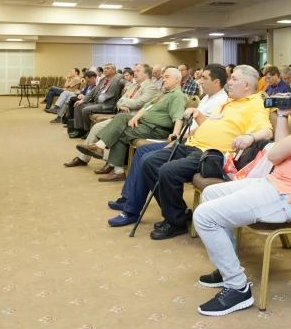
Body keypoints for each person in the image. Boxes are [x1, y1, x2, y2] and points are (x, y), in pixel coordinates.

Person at [193, 57, 291, 316]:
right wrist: (284, 117)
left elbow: (275, 155)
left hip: (290, 197)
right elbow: (281, 152)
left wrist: (280, 137)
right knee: (210, 192)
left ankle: (237, 287)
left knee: (204, 216)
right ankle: (227, 268)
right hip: (278, 185)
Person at [141, 65, 273, 240]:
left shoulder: (255, 105)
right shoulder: (230, 101)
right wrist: (198, 114)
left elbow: (267, 131)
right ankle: (178, 214)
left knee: (168, 171)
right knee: (149, 163)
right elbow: (212, 124)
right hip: (192, 144)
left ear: (247, 85)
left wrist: (250, 137)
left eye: (234, 79)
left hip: (210, 154)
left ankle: (175, 223)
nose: (229, 82)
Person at [107, 64, 229, 226]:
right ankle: (129, 198)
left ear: (216, 82)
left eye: (204, 78)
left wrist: (177, 139)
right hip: (185, 139)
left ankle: (132, 210)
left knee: (148, 159)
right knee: (142, 150)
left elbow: (204, 130)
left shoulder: (221, 101)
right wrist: (177, 137)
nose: (199, 81)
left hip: (194, 144)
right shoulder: (208, 97)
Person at [77, 68, 186, 180]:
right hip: (145, 123)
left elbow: (178, 117)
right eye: (163, 77)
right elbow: (146, 107)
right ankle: (107, 157)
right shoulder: (164, 93)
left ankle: (111, 161)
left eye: (167, 77)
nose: (163, 80)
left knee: (121, 132)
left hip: (156, 129)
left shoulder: (177, 96)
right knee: (122, 117)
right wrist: (135, 118)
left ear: (177, 79)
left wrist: (175, 134)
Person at [64, 64, 160, 170]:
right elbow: (119, 102)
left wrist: (124, 101)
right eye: (135, 70)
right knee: (96, 127)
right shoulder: (133, 86)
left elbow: (138, 103)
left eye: (138, 71)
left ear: (146, 74)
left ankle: (109, 163)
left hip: (134, 120)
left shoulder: (151, 87)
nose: (135, 73)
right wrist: (122, 105)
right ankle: (82, 158)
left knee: (114, 131)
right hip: (121, 117)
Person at [68, 64, 123, 139]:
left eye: (108, 68)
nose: (105, 70)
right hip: (96, 102)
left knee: (85, 110)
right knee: (78, 105)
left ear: (113, 70)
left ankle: (87, 131)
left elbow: (125, 82)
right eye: (105, 68)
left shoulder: (118, 77)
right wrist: (83, 100)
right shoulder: (103, 79)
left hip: (106, 105)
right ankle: (80, 130)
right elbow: (94, 90)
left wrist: (127, 86)